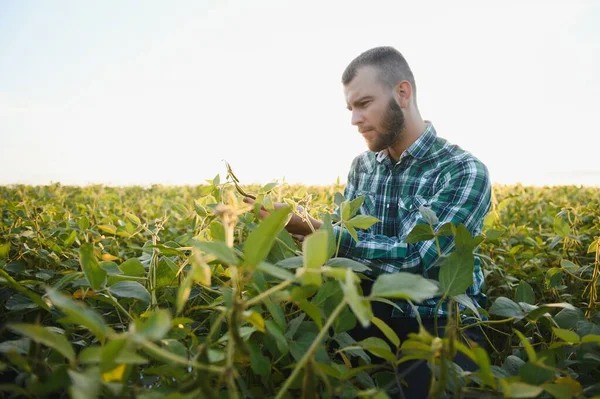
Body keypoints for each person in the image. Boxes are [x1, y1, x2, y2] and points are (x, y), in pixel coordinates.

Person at [247, 46, 491, 398]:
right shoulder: (362, 166)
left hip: (441, 320)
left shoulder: (463, 170)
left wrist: (318, 230)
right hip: (371, 310)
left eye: (363, 104)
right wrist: (293, 234)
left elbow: (416, 259)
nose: (354, 120)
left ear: (402, 94)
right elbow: (349, 250)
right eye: (350, 108)